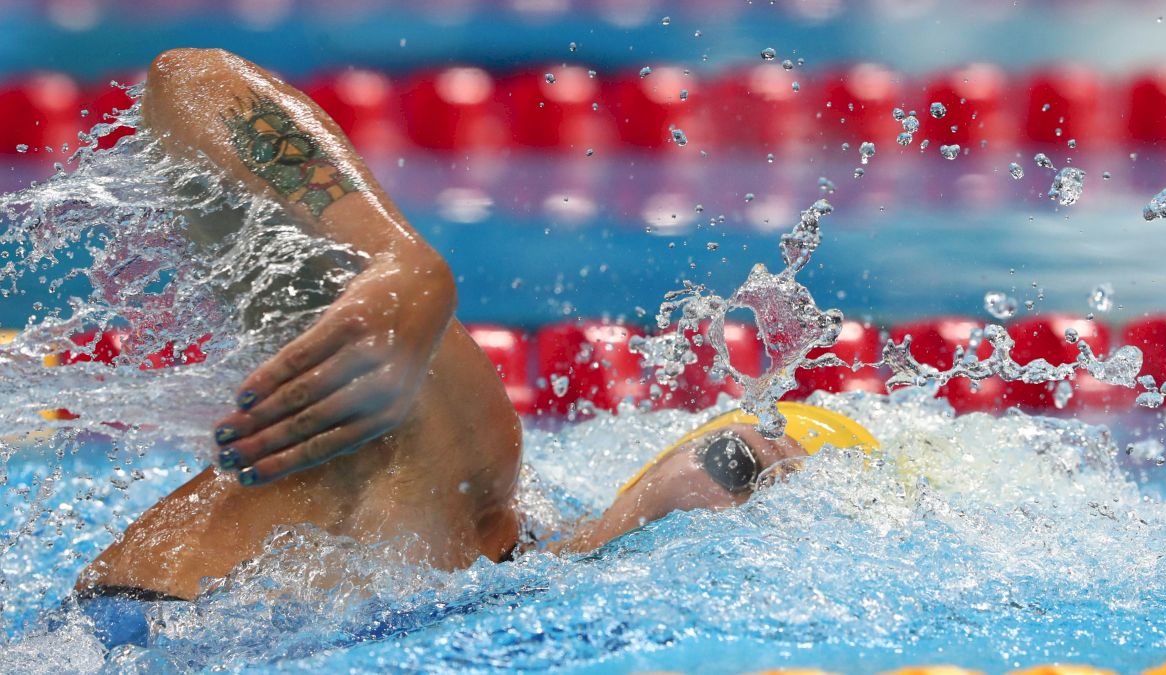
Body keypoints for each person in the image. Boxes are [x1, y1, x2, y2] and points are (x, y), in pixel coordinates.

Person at [74, 49, 878, 611]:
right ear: (656, 459)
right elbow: (188, 81)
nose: (726, 507)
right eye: (740, 458)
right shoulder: (469, 472)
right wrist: (403, 264)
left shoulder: (494, 576)